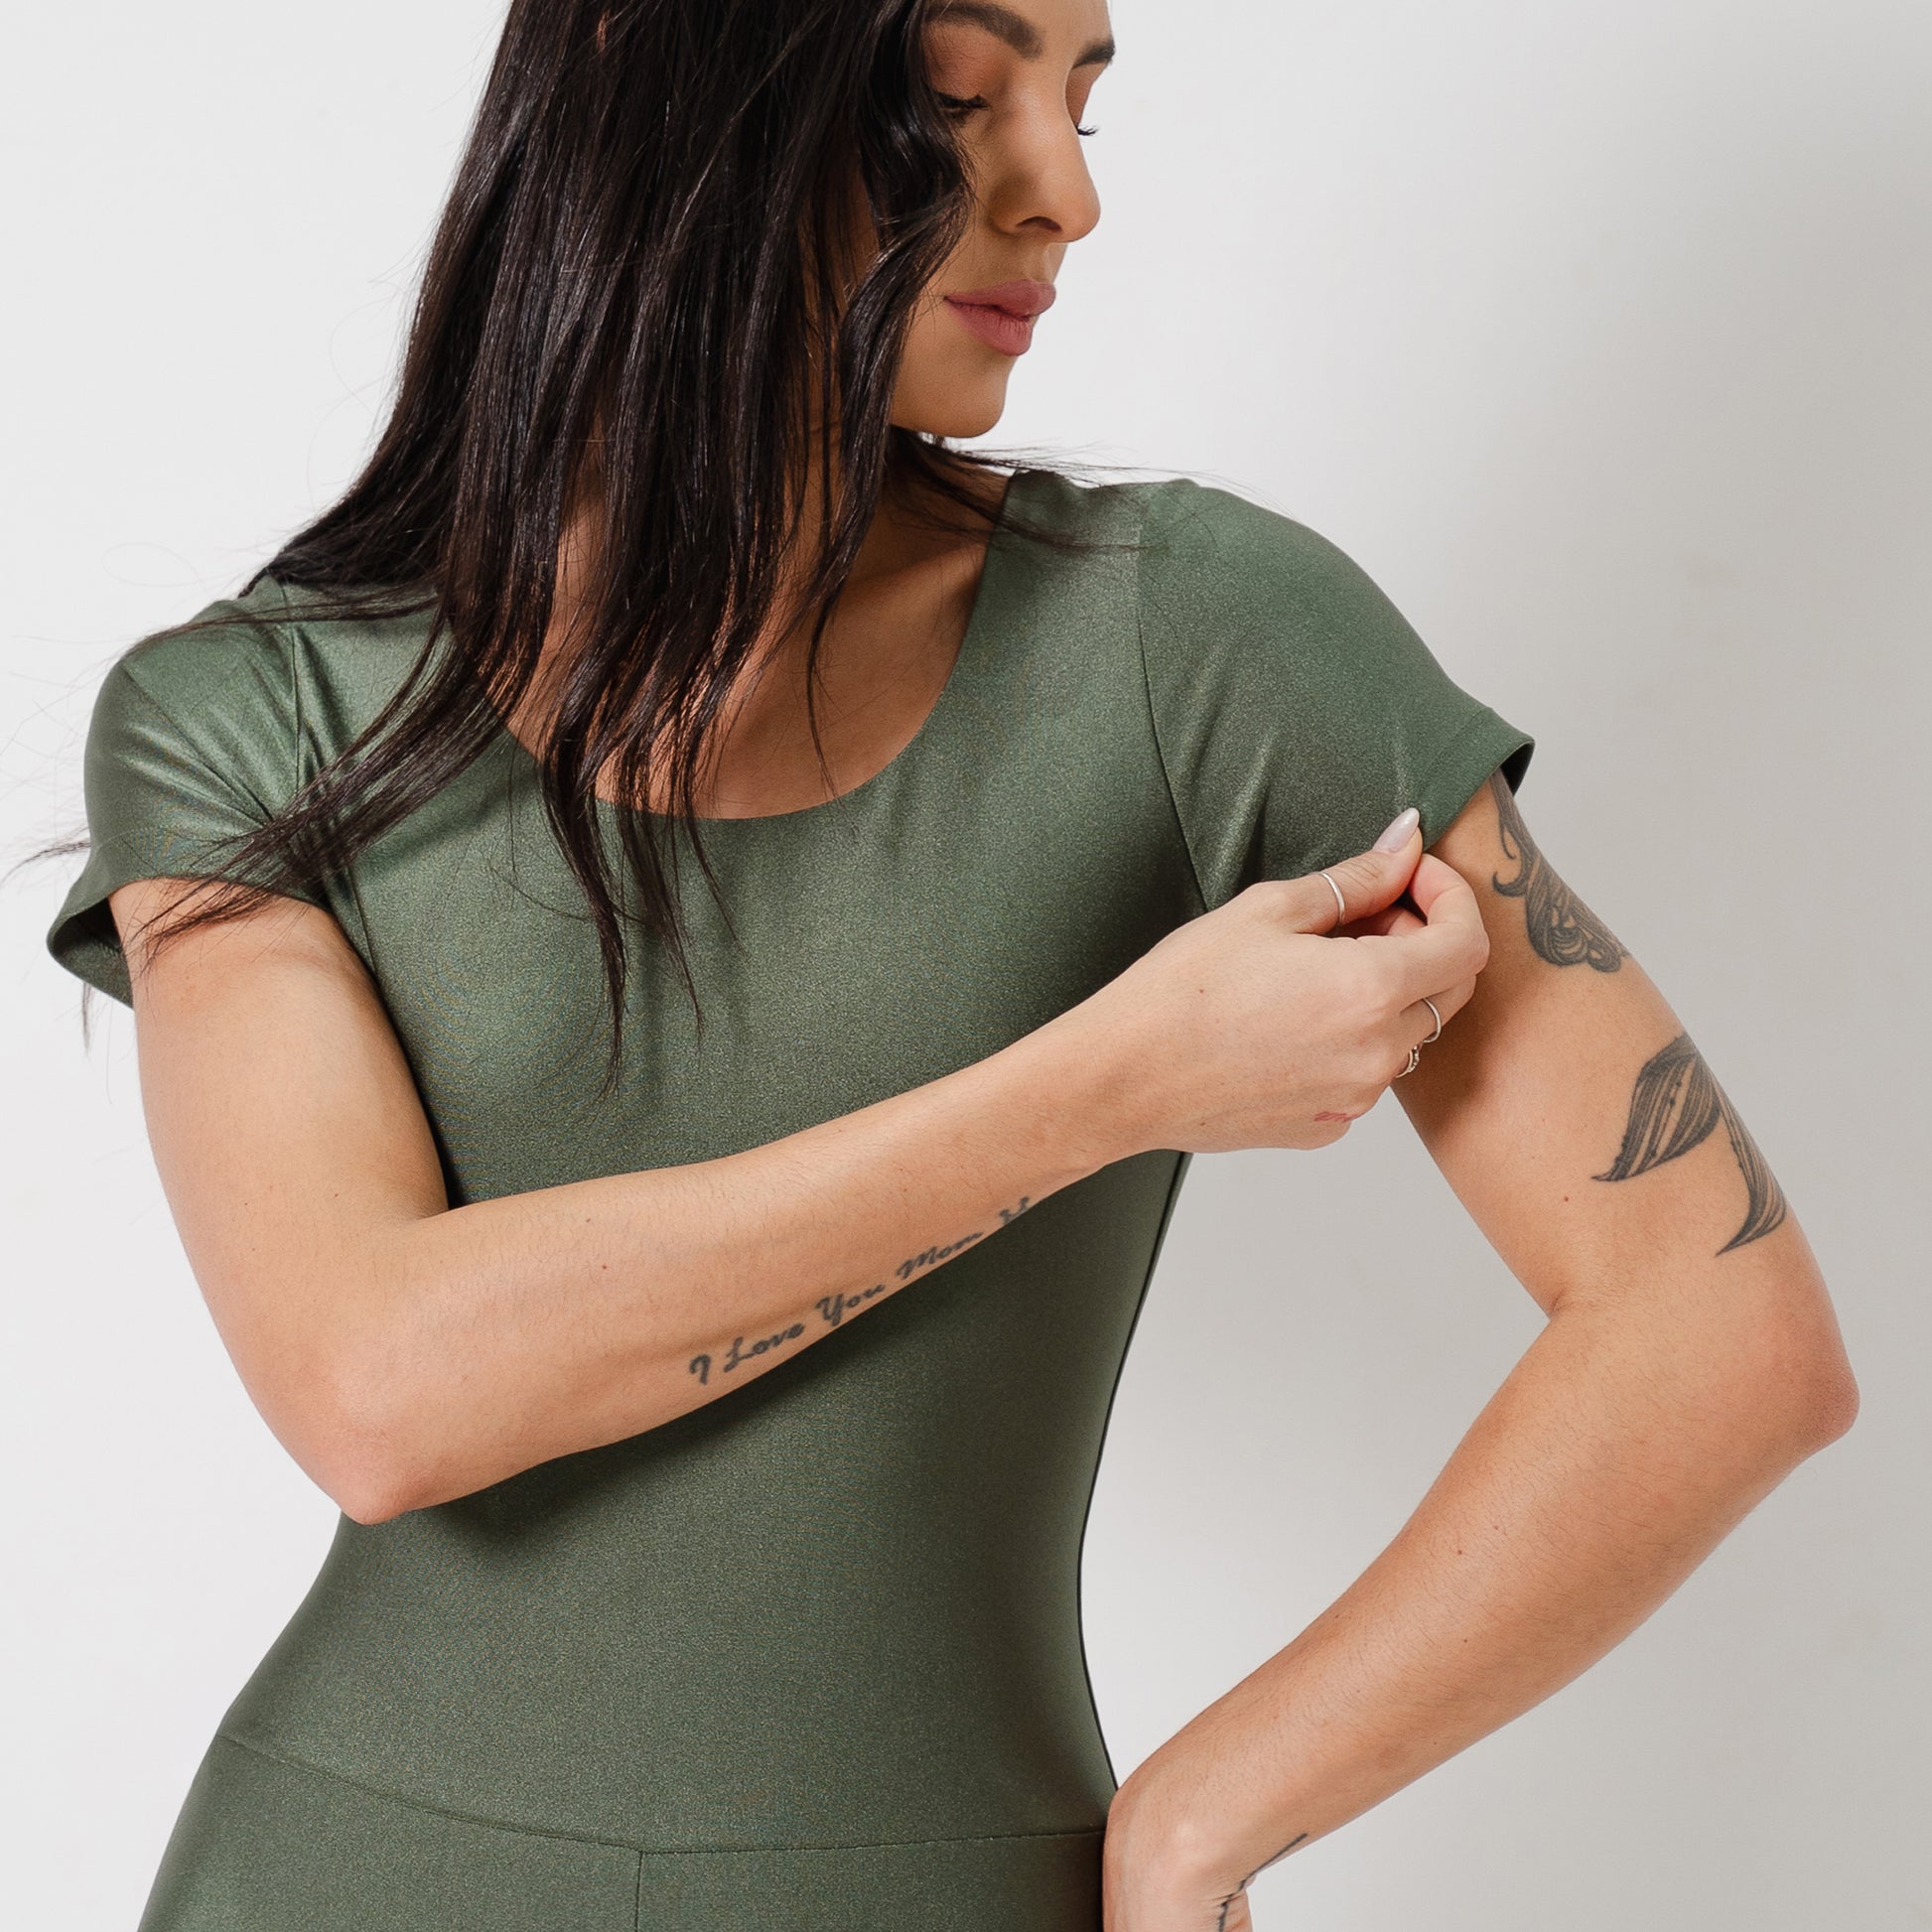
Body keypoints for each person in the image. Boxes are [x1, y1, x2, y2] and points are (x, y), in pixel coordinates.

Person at [44, 1, 1857, 1927]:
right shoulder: (251, 720)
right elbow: (377, 1389)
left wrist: (1204, 1817)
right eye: (958, 96)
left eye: (1081, 102)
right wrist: (1112, 1081)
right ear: (676, 99)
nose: (1064, 192)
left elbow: (1715, 1326)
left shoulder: (1191, 641)